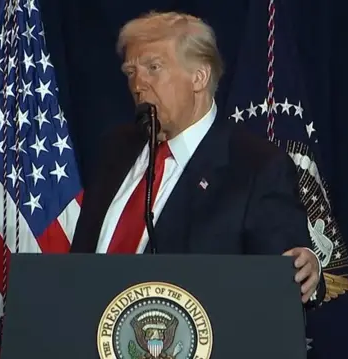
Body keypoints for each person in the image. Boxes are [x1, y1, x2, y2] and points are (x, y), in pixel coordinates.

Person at [70, 11, 325, 307]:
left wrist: (307, 271)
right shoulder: (115, 150)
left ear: (199, 77)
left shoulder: (257, 167)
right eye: (131, 72)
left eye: (153, 67)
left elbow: (287, 279)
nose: (138, 84)